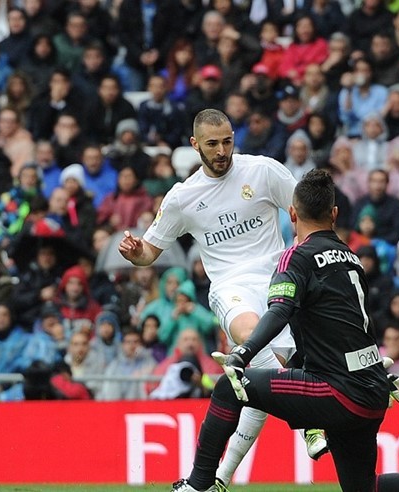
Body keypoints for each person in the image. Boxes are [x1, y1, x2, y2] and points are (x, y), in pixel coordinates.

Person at [172, 168, 399, 492]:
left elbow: (279, 311)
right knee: (363, 487)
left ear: (292, 214)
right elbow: (352, 325)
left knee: (229, 387)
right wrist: (373, 369)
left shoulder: (296, 258)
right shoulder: (349, 257)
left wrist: (243, 353)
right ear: (334, 214)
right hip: (370, 391)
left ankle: (198, 485)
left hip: (336, 390)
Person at [118, 109, 327, 487]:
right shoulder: (183, 197)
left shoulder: (263, 171)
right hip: (230, 286)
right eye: (212, 144)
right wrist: (136, 254)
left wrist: (305, 254)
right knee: (252, 336)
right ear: (195, 144)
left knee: (259, 385)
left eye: (227, 141)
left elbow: (307, 214)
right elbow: (150, 251)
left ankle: (217, 480)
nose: (221, 151)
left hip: (279, 279)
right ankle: (309, 420)